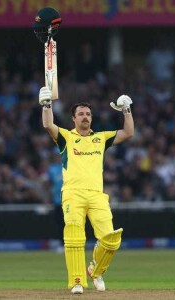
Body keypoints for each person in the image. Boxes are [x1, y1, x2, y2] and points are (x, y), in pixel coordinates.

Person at [39, 76, 134, 294]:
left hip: (97, 195)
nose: (85, 117)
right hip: (72, 194)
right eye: (81, 114)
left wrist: (126, 110)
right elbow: (48, 124)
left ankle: (96, 270)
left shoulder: (101, 138)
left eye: (88, 114)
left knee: (110, 239)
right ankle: (76, 281)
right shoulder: (65, 137)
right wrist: (46, 105)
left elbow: (128, 133)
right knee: (74, 236)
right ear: (73, 119)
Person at [47, 146, 64, 252]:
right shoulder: (52, 169)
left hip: (68, 199)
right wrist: (48, 198)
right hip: (57, 200)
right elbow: (50, 185)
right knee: (59, 223)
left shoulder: (67, 166)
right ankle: (61, 244)